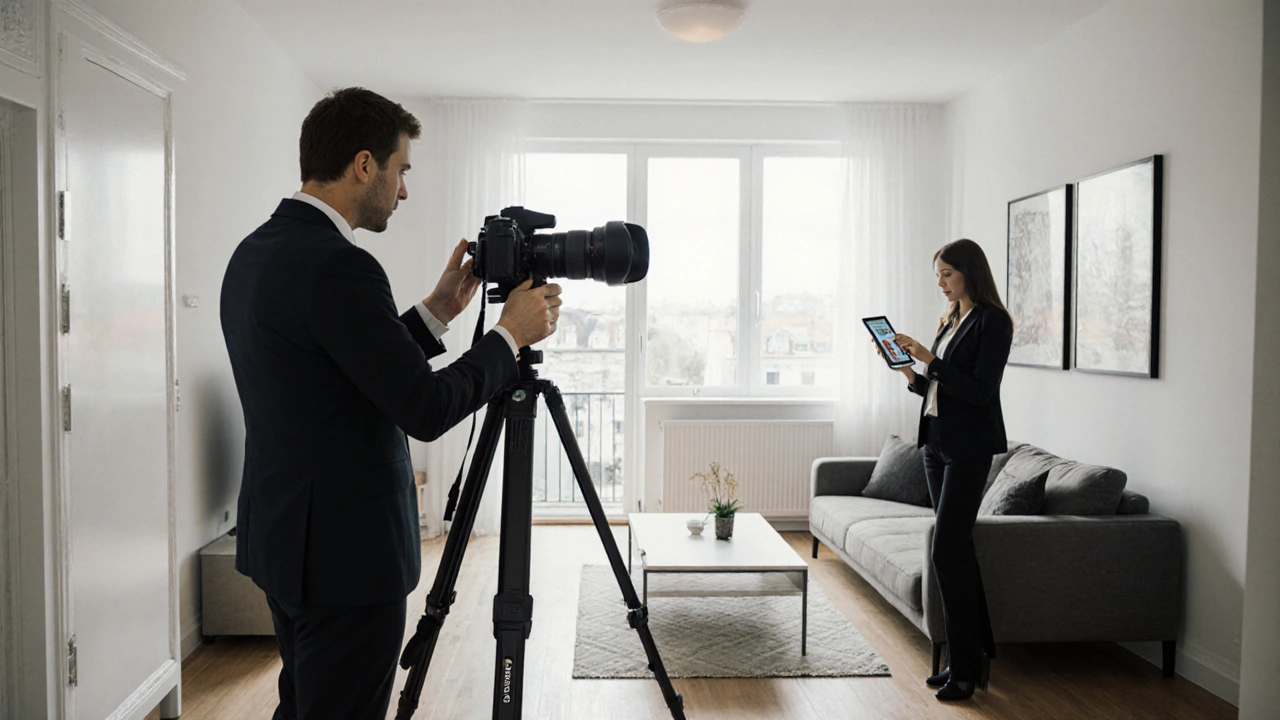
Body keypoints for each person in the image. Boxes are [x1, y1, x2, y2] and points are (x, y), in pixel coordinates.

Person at [220, 87, 563, 720]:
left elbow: (336, 372)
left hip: (285, 539)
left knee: (302, 705)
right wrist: (509, 335)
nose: (403, 190)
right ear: (363, 165)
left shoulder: (255, 252)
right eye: (401, 170)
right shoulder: (341, 266)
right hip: (347, 560)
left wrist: (437, 313)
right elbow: (426, 408)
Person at [884, 238, 1012, 702]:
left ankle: (965, 667)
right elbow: (939, 393)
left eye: (947, 275)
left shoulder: (993, 322)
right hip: (936, 446)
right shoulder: (952, 318)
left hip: (969, 450)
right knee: (957, 552)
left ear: (969, 273)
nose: (940, 283)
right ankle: (968, 658)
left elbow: (980, 391)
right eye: (937, 275)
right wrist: (908, 372)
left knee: (946, 551)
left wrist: (930, 359)